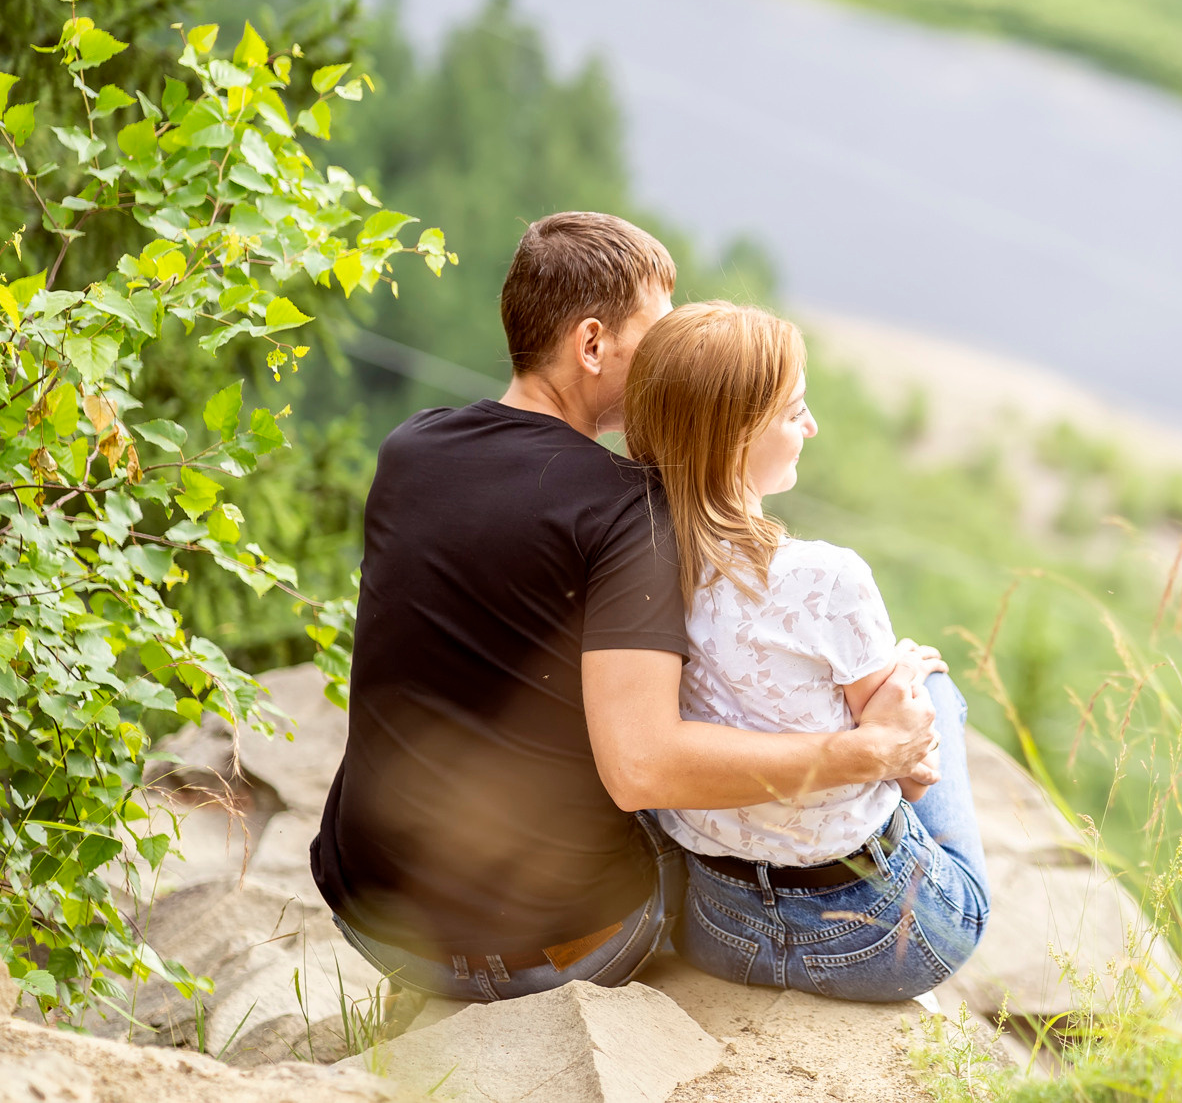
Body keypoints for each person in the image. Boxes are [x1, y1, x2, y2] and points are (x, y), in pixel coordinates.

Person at [310, 212, 945, 1002]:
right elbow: (642, 766)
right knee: (919, 694)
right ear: (591, 345)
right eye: (660, 335)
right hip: (558, 947)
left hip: (369, 915)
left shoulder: (413, 445)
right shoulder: (629, 511)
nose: (675, 357)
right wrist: (870, 751)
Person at [622, 301, 988, 1001]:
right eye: (795, 412)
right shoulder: (828, 577)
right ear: (737, 439)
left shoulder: (632, 565)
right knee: (932, 686)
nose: (812, 425)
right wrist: (904, 688)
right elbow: (913, 772)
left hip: (716, 930)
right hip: (878, 938)